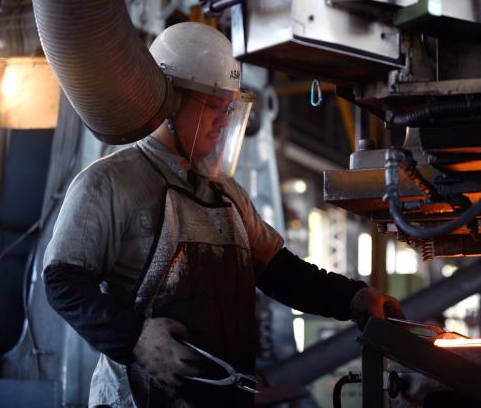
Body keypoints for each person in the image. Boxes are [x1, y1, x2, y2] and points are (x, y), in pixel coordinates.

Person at [42, 22, 405, 408]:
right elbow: (63, 281)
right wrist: (133, 339)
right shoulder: (109, 183)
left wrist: (354, 298)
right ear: (169, 102)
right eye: (213, 106)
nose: (222, 120)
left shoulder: (228, 194)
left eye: (228, 107)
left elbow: (280, 272)